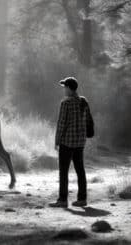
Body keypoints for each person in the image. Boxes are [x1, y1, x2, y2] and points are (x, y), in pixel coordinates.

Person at [49, 77, 94, 208]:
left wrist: (57, 141)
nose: (64, 89)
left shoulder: (66, 103)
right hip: (80, 142)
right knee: (80, 170)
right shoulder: (83, 102)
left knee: (63, 171)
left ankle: (63, 200)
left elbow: (61, 124)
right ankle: (82, 199)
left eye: (65, 87)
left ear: (69, 88)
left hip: (67, 142)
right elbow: (87, 122)